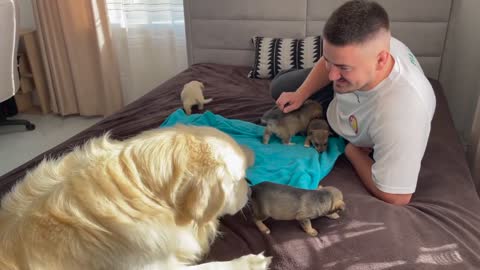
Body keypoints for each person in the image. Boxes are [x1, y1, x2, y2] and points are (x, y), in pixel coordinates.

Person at [272, 0, 436, 205]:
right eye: (328, 60)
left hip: (366, 125)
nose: (331, 75)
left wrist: (350, 149)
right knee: (278, 87)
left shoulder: (401, 115)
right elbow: (332, 69)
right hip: (343, 102)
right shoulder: (361, 57)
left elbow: (397, 197)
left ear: (381, 61)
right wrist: (301, 93)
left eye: (343, 67)